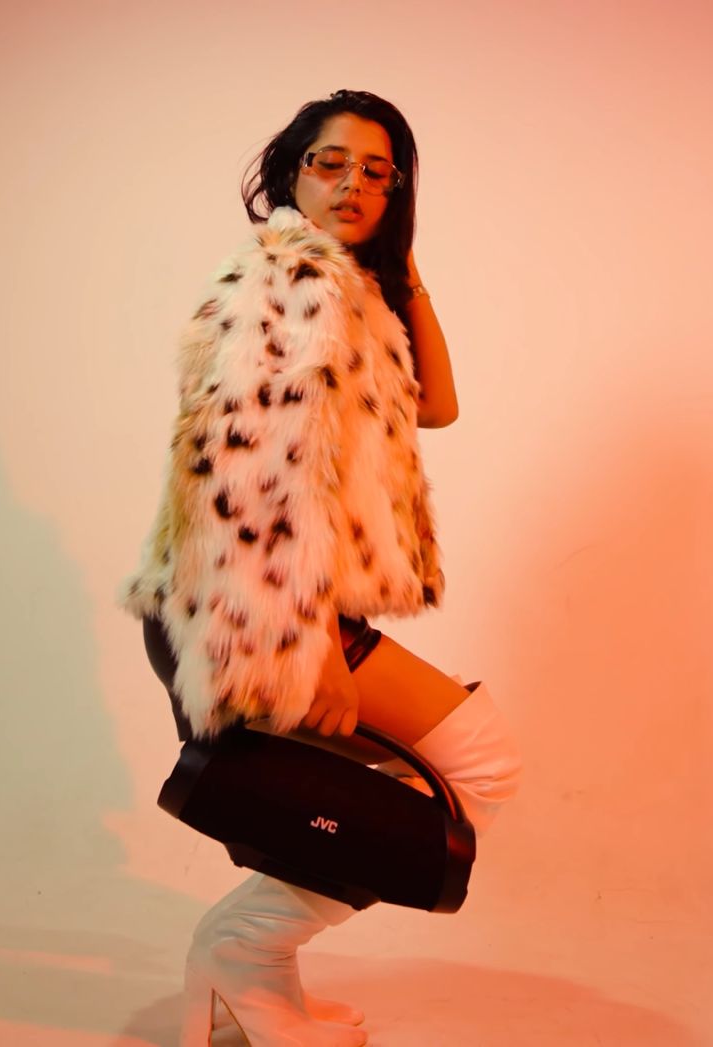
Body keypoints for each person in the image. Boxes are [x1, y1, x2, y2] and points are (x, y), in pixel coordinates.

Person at [118, 89, 522, 1046]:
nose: (353, 184)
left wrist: (405, 272)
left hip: (264, 599)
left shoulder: (346, 288)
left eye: (378, 171)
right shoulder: (293, 284)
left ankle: (253, 969)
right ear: (290, 173)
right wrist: (316, 649)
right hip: (258, 608)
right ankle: (243, 949)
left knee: (351, 799)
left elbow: (437, 405)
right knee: (476, 756)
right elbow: (259, 480)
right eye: (330, 163)